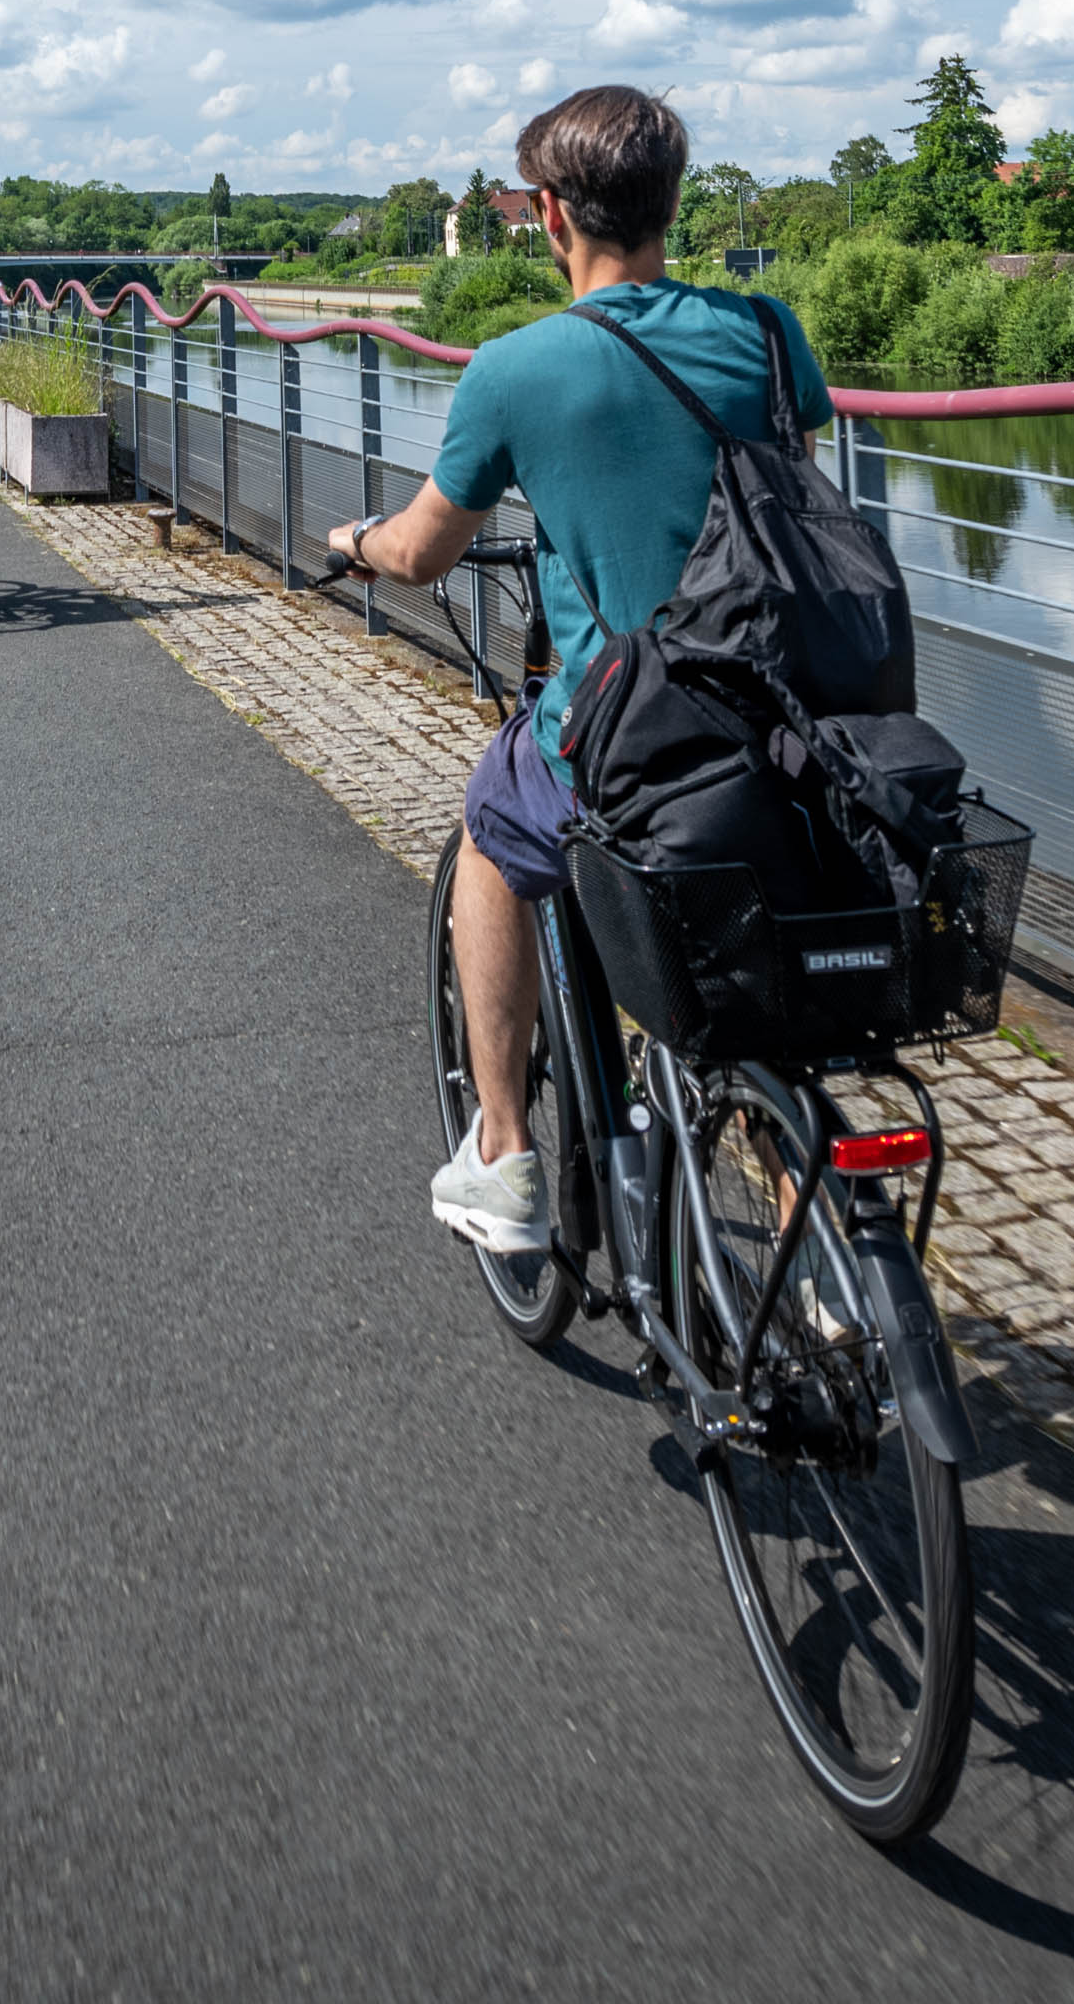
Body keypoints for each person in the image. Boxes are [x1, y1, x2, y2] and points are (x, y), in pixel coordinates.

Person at [318, 82, 814, 1256]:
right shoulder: (768, 333)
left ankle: (503, 1153)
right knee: (756, 978)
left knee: (494, 824)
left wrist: (357, 541)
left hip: (637, 734)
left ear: (548, 215)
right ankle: (825, 1262)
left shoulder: (515, 369)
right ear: (672, 205)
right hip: (793, 718)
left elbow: (425, 550)